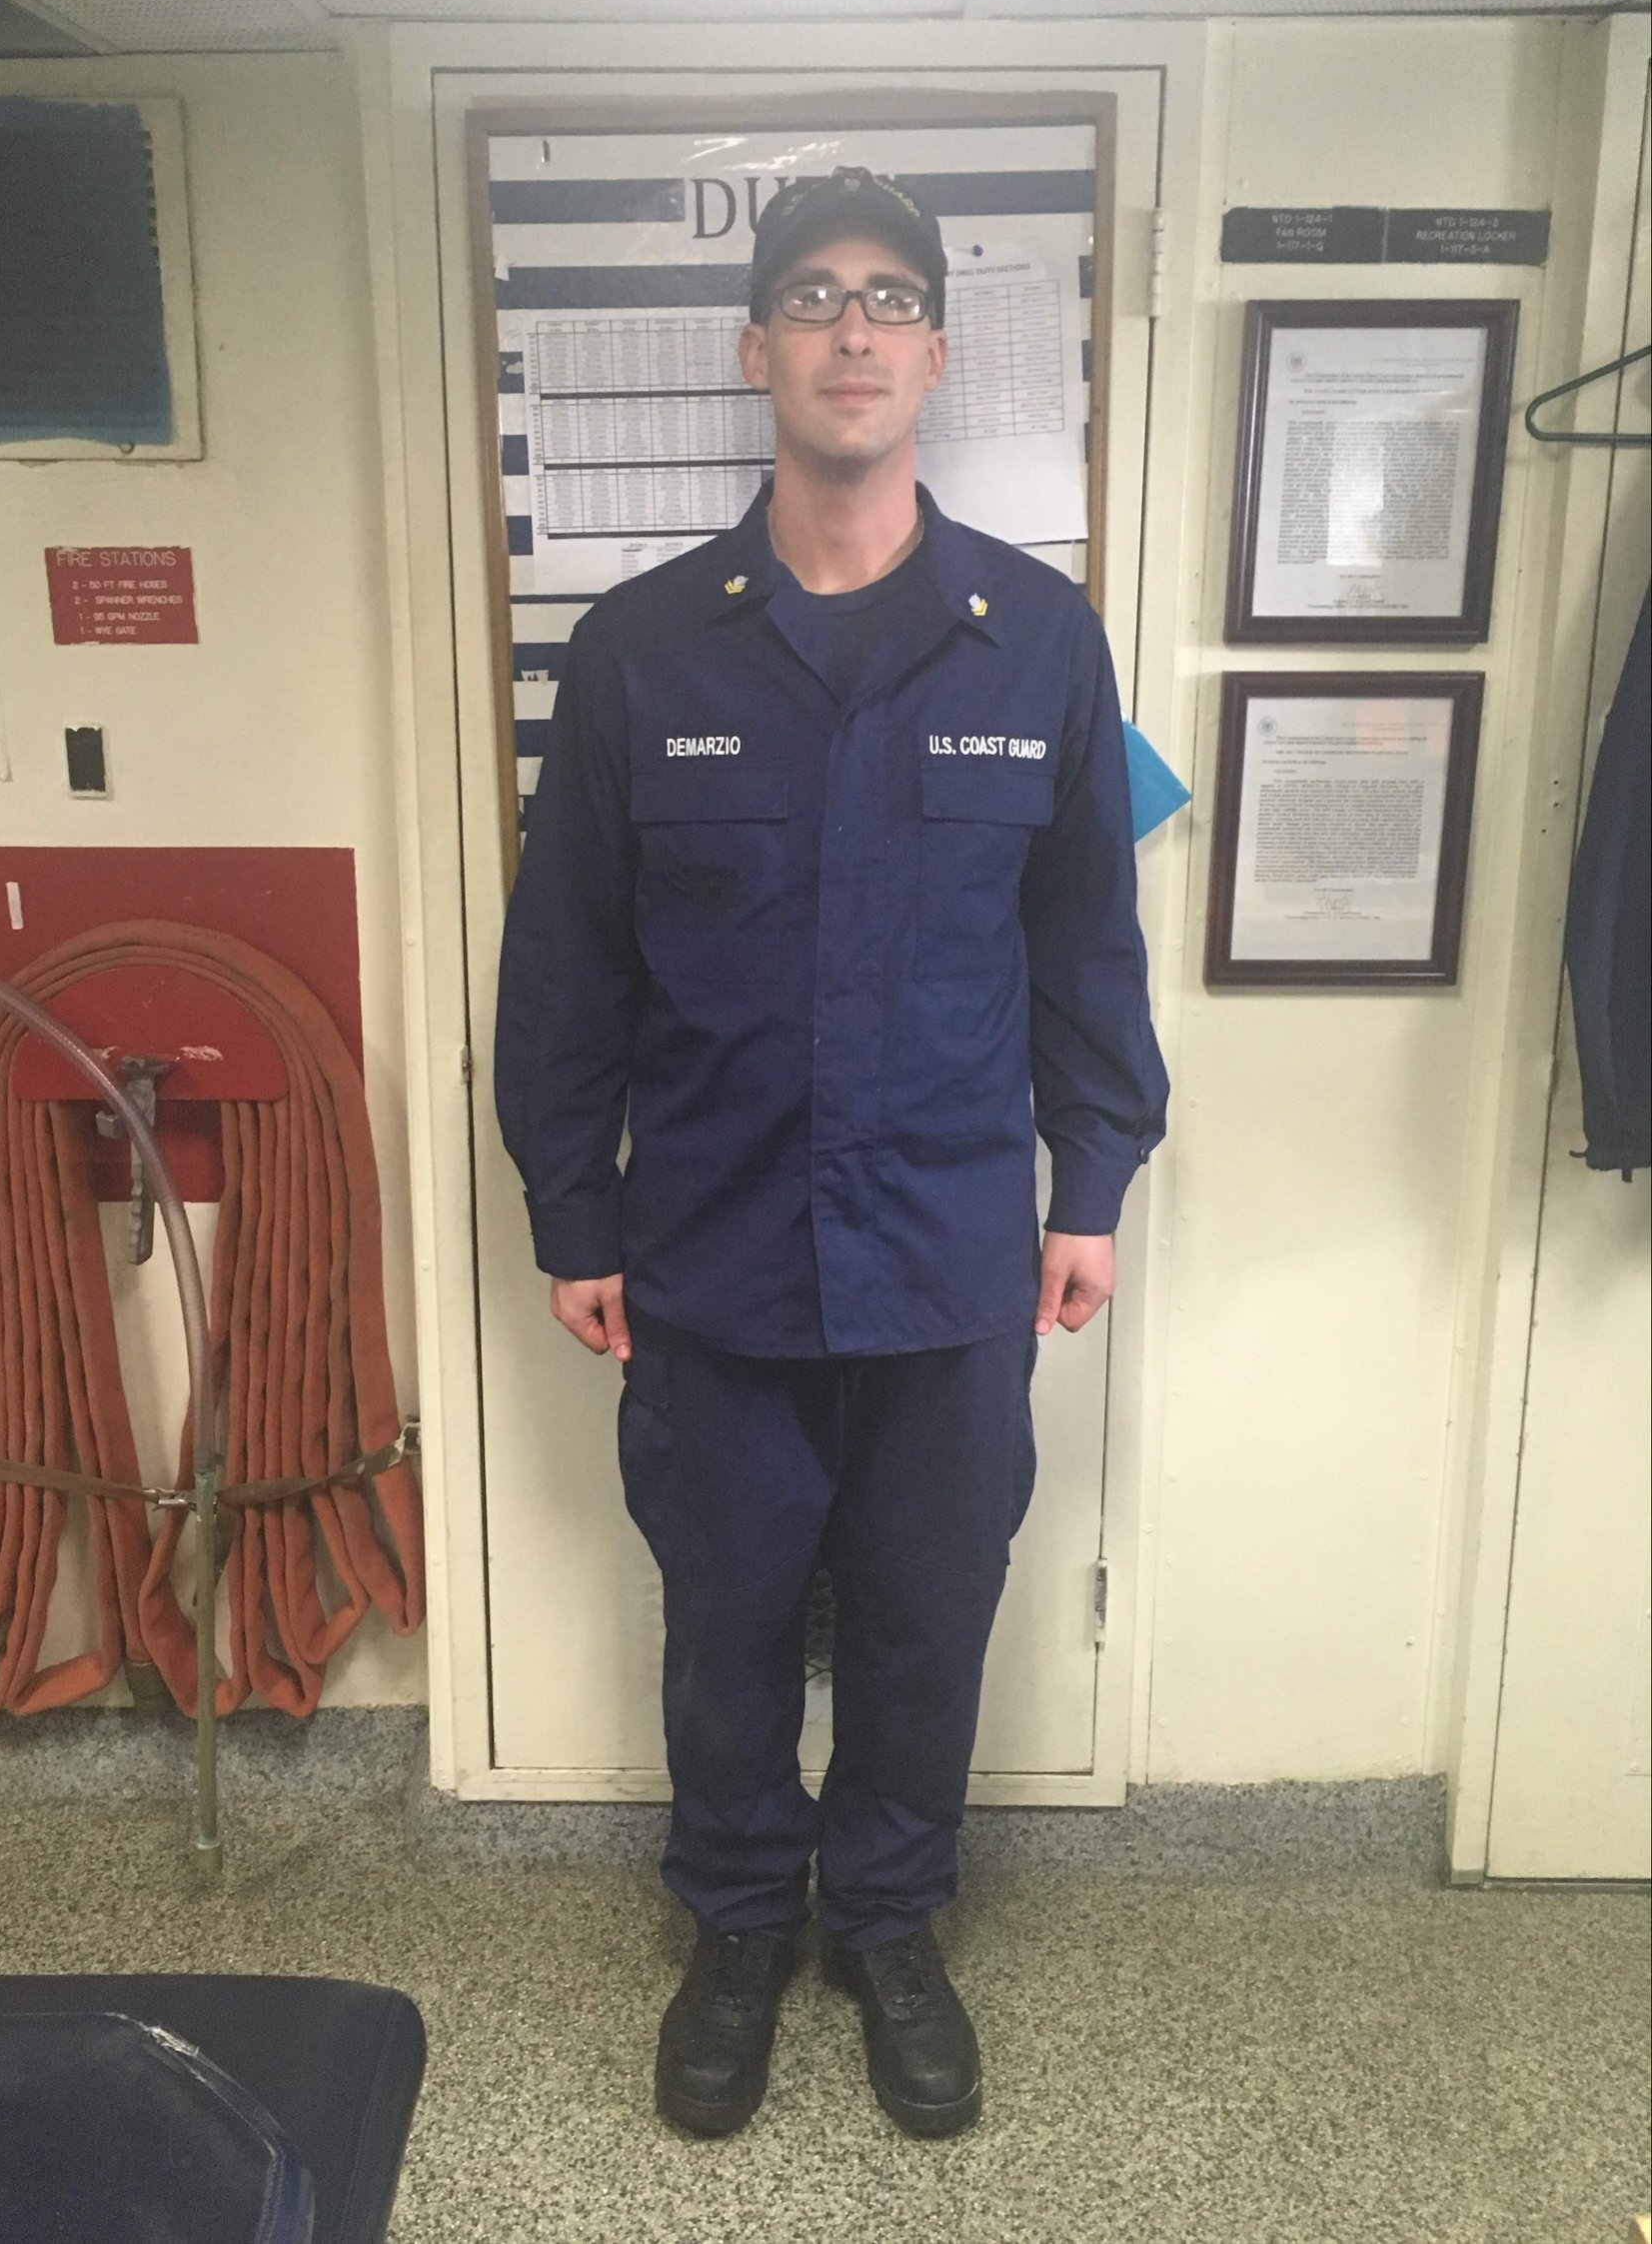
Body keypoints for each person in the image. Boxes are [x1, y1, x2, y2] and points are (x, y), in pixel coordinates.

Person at [494, 165, 1168, 2139]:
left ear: (935, 353)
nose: (851, 330)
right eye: (812, 296)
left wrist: (1091, 1185)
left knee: (921, 1623)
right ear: (756, 350)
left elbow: (1084, 949)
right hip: (711, 1258)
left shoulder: (1034, 639)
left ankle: (882, 1920)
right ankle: (734, 1925)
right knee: (722, 1628)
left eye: (886, 298)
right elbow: (567, 968)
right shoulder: (639, 652)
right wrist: (573, 1212)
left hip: (952, 1260)